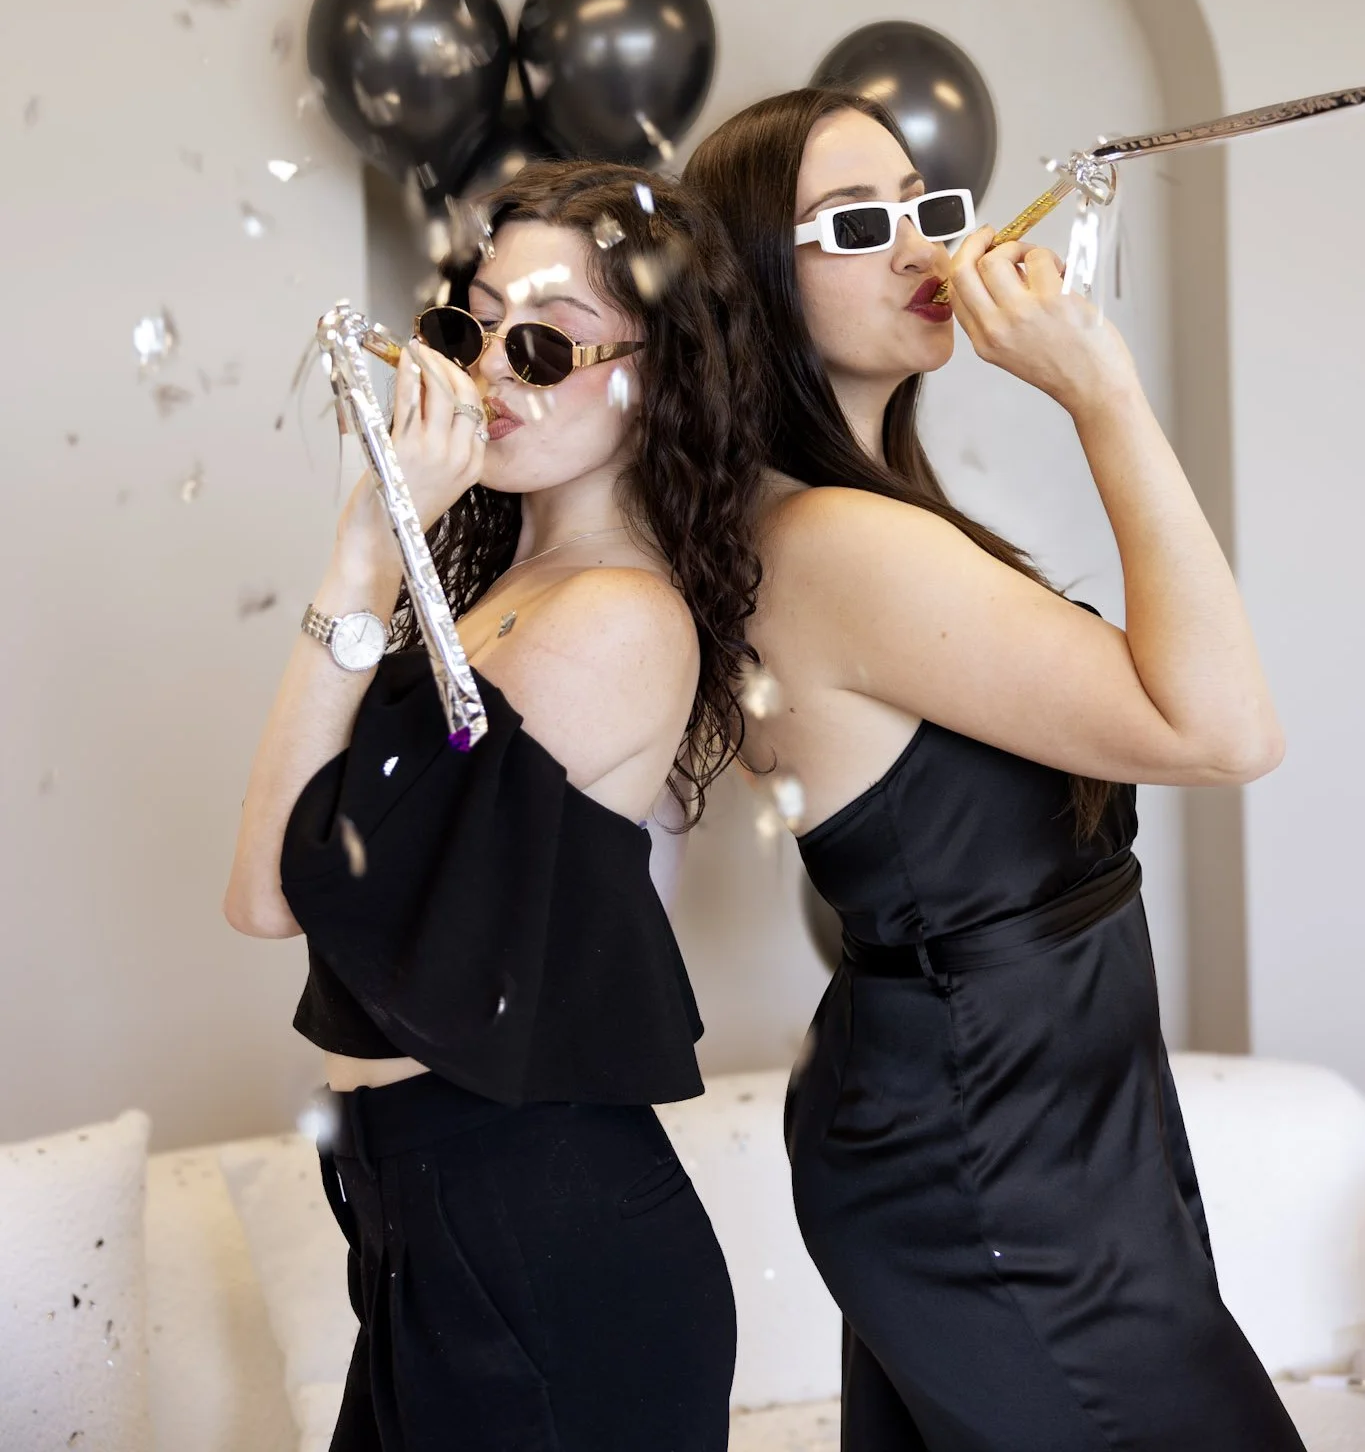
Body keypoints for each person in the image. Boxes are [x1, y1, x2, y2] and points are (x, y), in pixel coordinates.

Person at [683, 86, 1304, 1452]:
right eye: (856, 223)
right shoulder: (838, 544)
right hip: (986, 1129)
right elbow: (1225, 730)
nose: (919, 247)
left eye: (926, 204)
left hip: (1013, 1103)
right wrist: (1107, 395)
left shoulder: (838, 517)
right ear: (749, 288)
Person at [224, 161, 766, 1452]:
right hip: (426, 1224)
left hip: (539, 1240)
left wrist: (366, 548)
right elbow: (272, 877)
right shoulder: (499, 602)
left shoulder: (617, 618)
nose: (494, 372)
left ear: (665, 373)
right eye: (473, 324)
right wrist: (378, 549)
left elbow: (269, 892)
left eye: (550, 342)